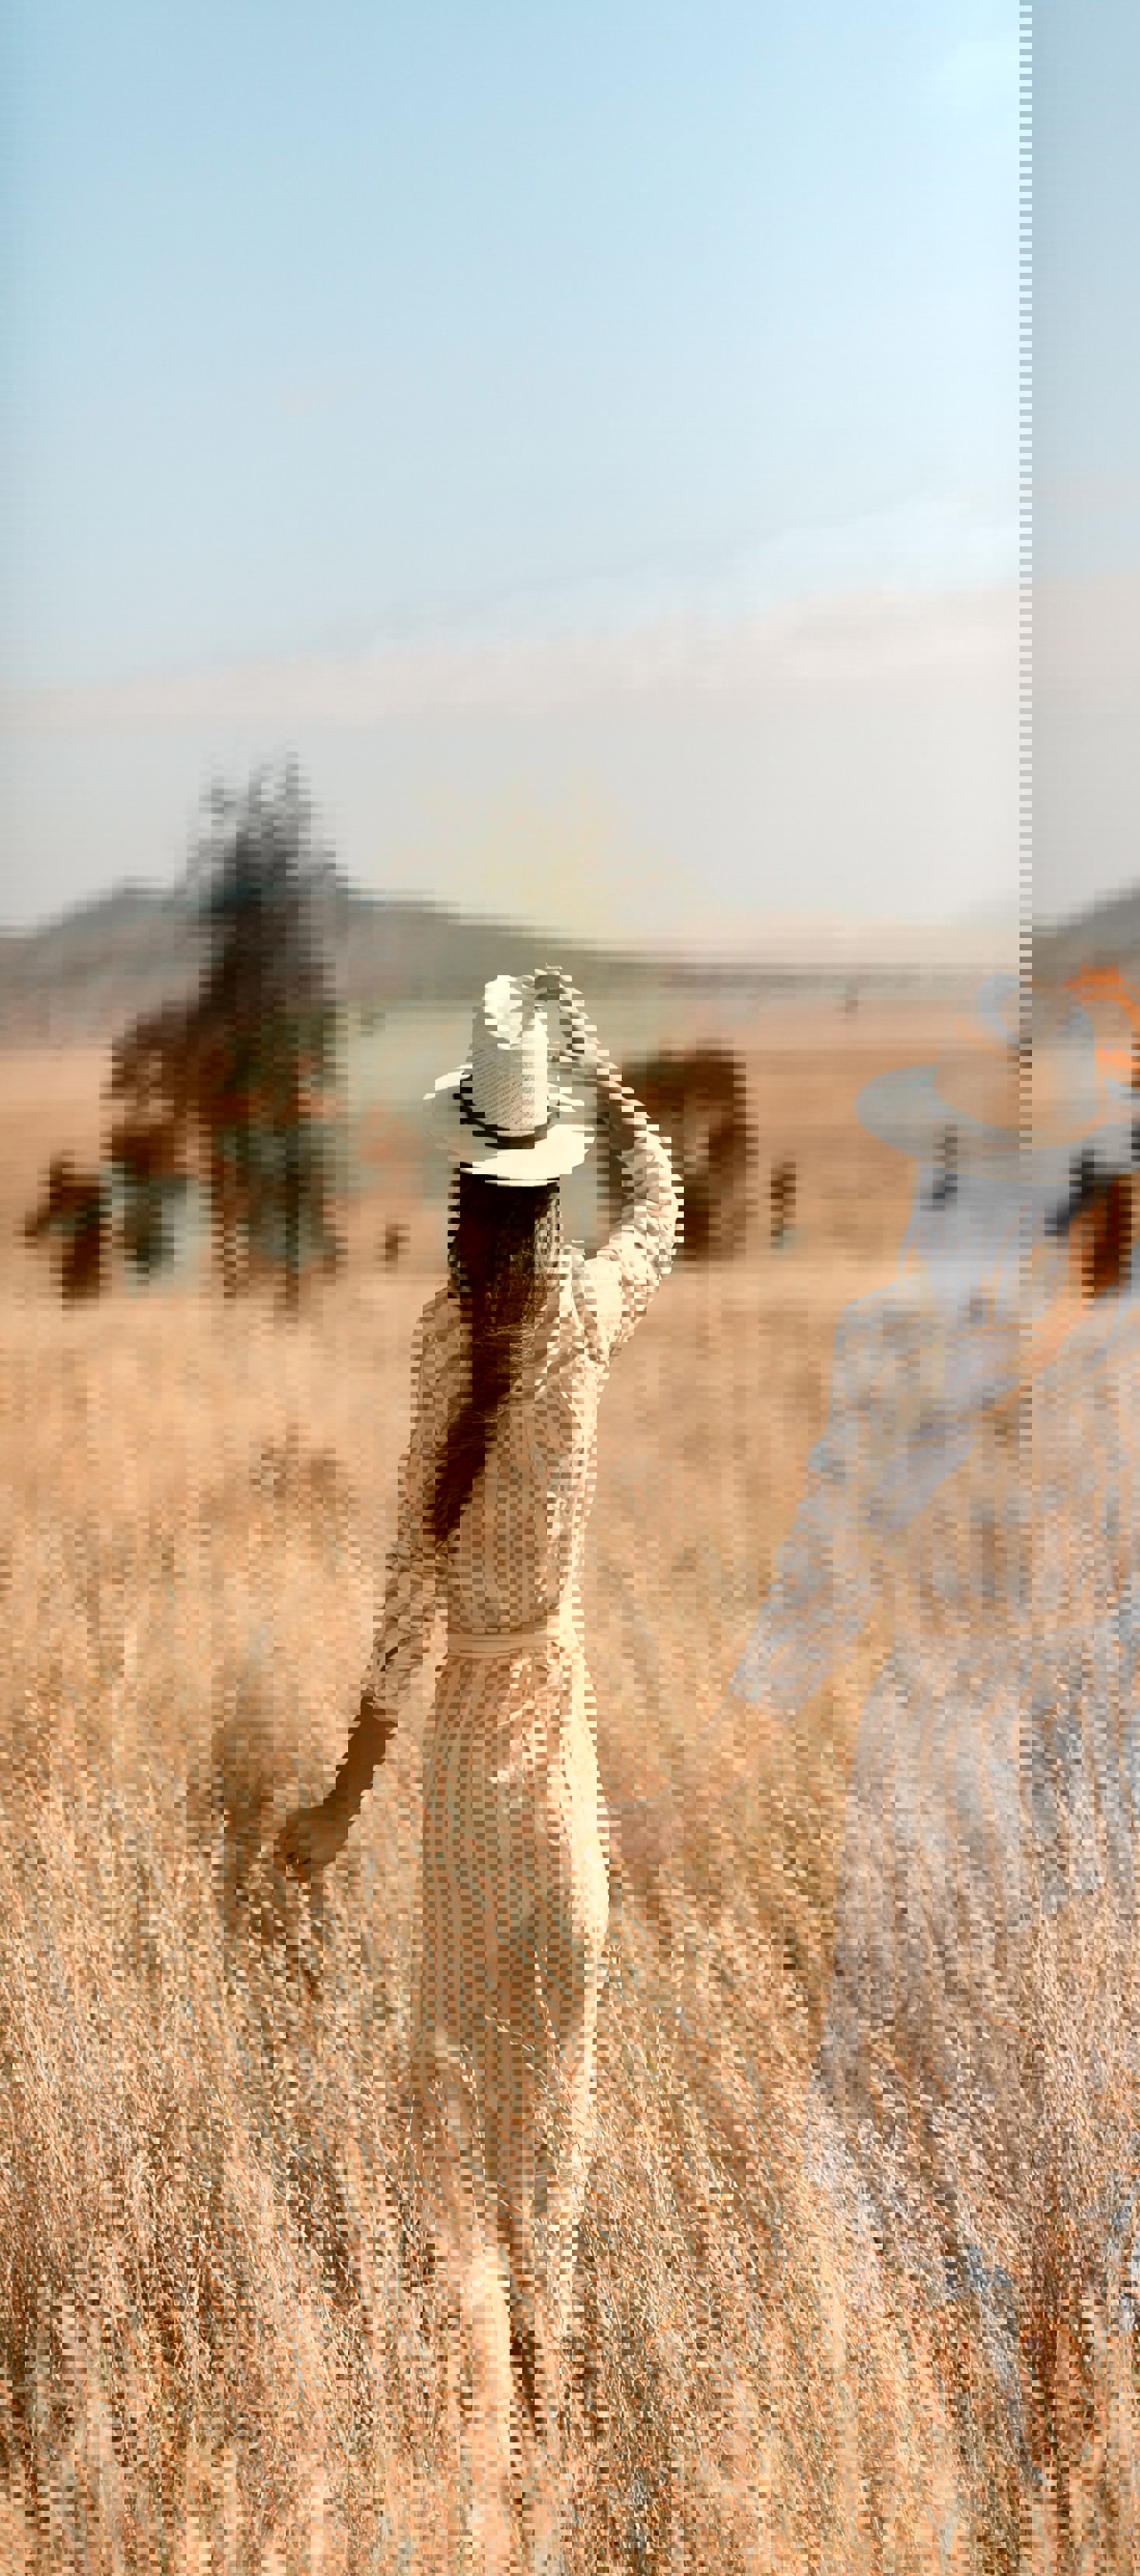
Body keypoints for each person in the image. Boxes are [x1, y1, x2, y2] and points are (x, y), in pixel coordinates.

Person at [619, 965, 1140, 2466]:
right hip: (967, 1752)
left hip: (1088, 1747)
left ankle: (1054, 2473)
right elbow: (817, 1584)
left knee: (1088, 2158)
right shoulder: (958, 1346)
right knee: (937, 2137)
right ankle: (982, 2476)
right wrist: (691, 1797)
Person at [280, 971, 676, 2426]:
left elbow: (400, 1595)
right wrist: (600, 1068)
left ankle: (522, 2372)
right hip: (503, 1738)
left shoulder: (541, 1320)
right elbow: (667, 1204)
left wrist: (336, 1798)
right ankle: (506, 2378)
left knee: (515, 2033)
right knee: (500, 2066)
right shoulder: (518, 1327)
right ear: (544, 1178)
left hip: (508, 1733)